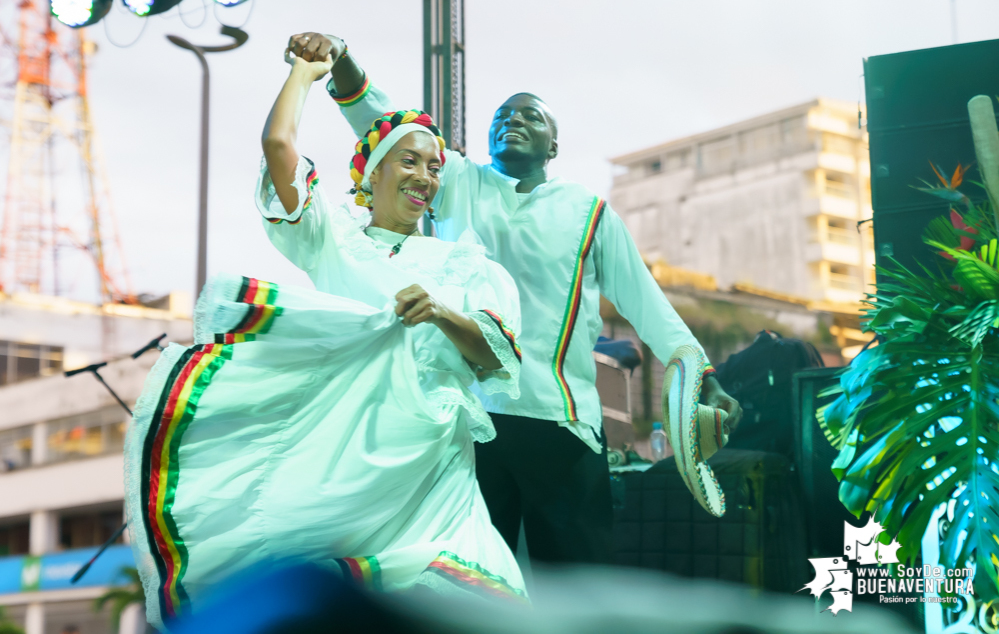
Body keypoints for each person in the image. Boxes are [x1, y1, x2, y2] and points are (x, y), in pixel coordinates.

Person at [287, 33, 744, 566]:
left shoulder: (588, 210)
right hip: (470, 422)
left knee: (577, 585)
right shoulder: (459, 181)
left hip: (563, 423)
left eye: (532, 117)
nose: (514, 120)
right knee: (472, 582)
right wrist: (340, 58)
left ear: (554, 146)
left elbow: (646, 303)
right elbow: (380, 121)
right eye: (503, 115)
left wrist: (701, 373)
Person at [123, 45, 527, 630]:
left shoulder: (468, 265)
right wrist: (303, 75)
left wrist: (440, 311)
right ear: (372, 171)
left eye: (435, 167)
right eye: (409, 162)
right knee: (337, 598)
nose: (425, 177)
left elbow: (497, 358)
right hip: (340, 452)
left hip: (434, 460)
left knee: (482, 588)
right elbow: (279, 149)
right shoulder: (332, 236)